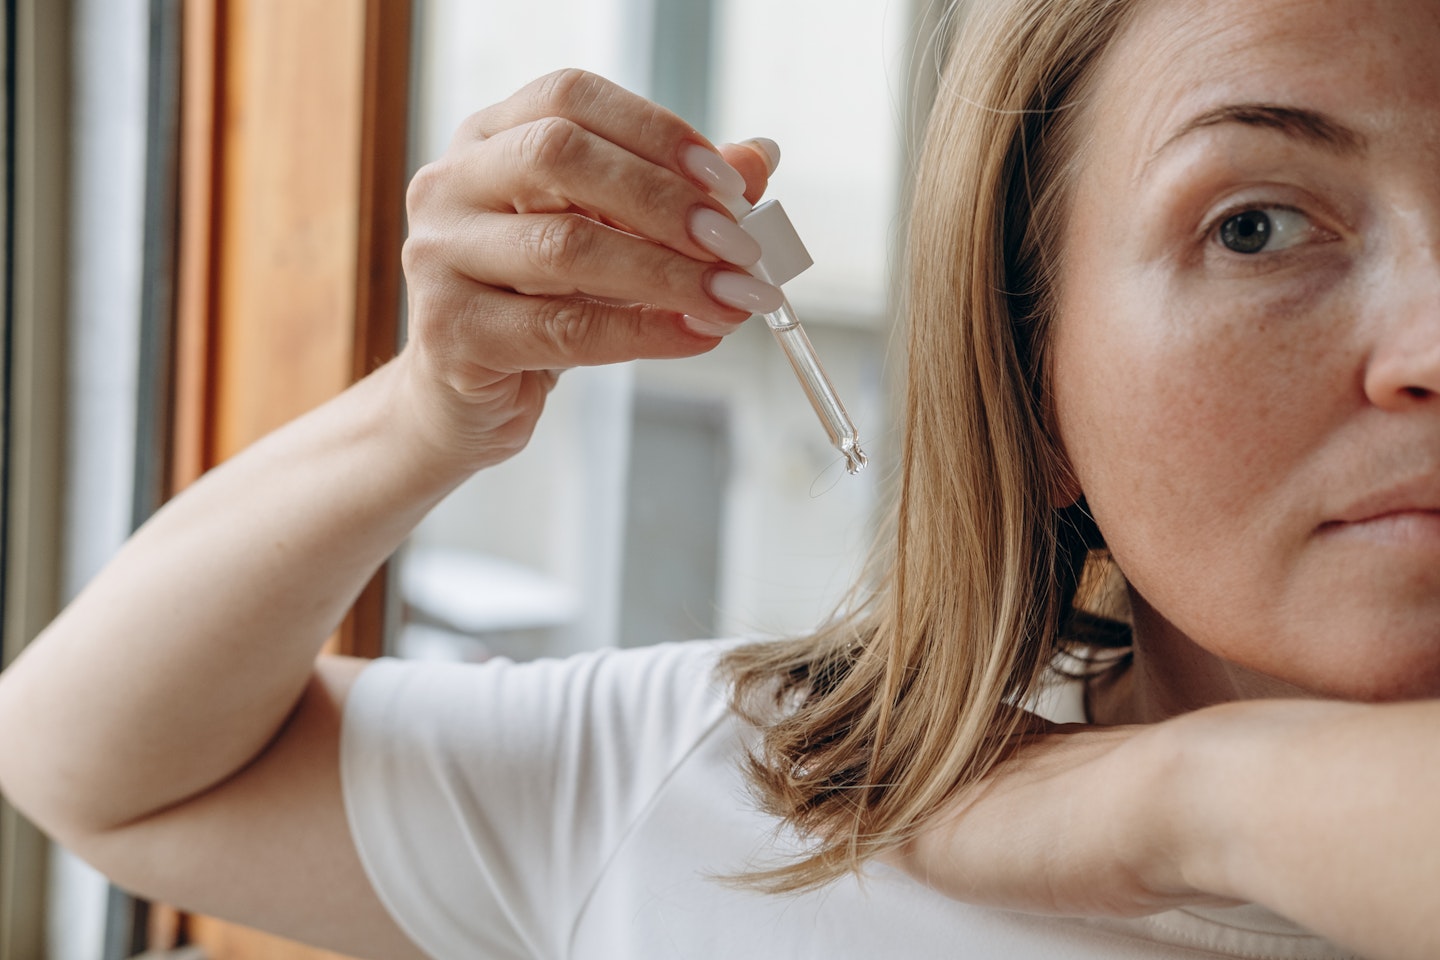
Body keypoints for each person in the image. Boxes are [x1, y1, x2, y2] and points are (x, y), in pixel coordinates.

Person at [1, 0, 1437, 955]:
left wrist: (1192, 804)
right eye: (1254, 225)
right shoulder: (755, 784)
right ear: (1026, 369)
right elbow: (102, 772)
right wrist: (427, 415)